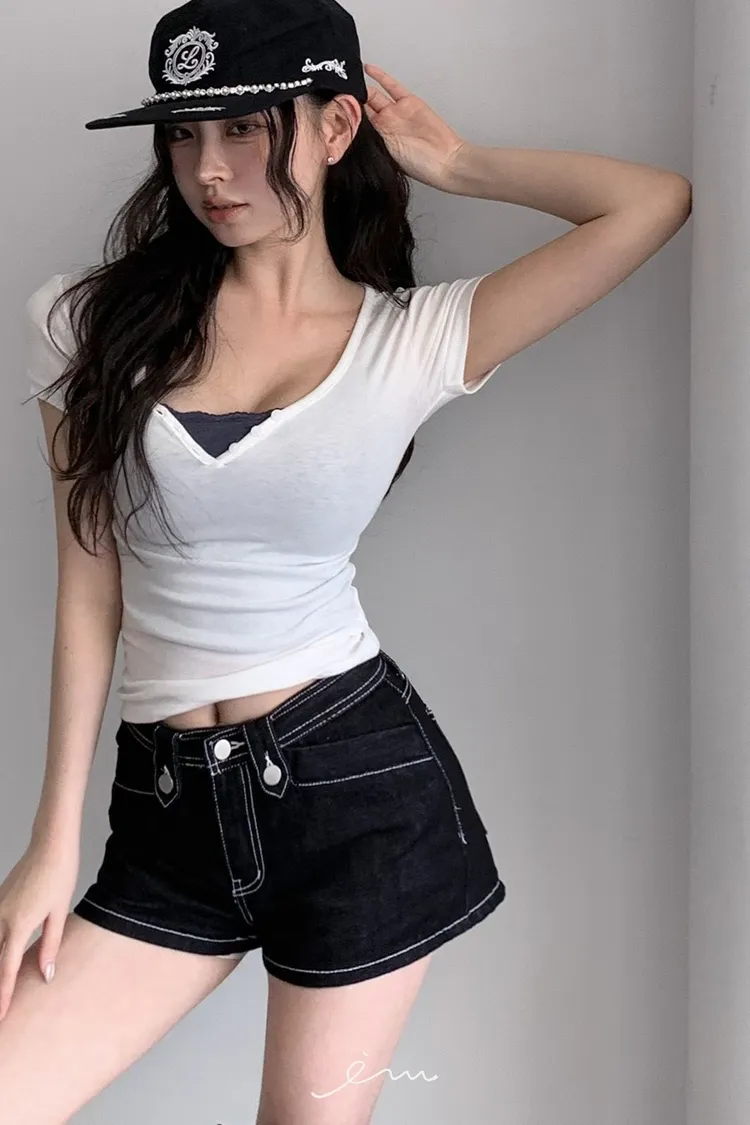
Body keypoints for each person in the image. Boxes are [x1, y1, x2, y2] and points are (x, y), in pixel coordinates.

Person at [0, 0, 691, 1119]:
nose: (208, 169)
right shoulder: (82, 324)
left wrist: (458, 163)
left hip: (358, 795)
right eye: (184, 134)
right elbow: (90, 586)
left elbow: (653, 202)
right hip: (167, 811)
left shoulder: (412, 339)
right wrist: (51, 841)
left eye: (244, 128)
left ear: (334, 128)